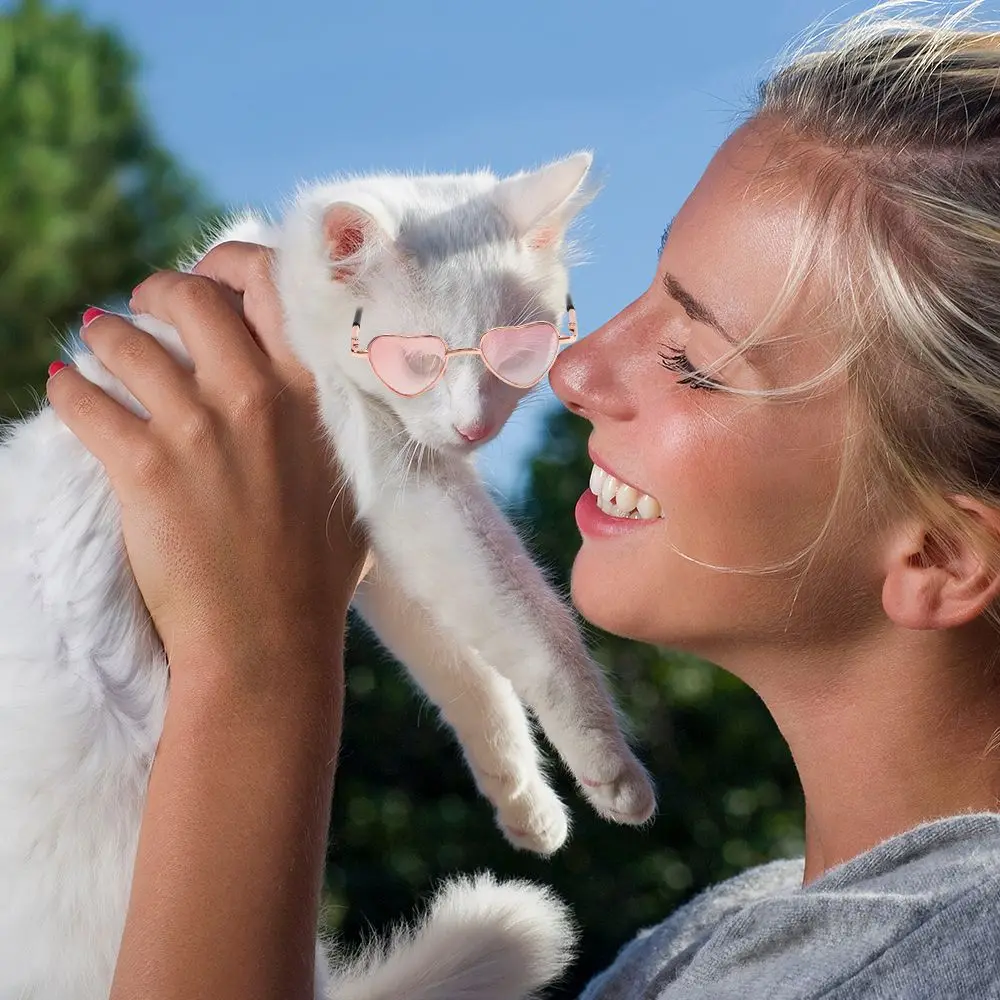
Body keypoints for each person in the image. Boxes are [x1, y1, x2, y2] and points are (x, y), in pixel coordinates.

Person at [41, 4, 1000, 998]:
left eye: (692, 358)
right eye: (644, 289)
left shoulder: (960, 954)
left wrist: (254, 667)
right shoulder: (721, 938)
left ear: (937, 553)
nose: (576, 368)